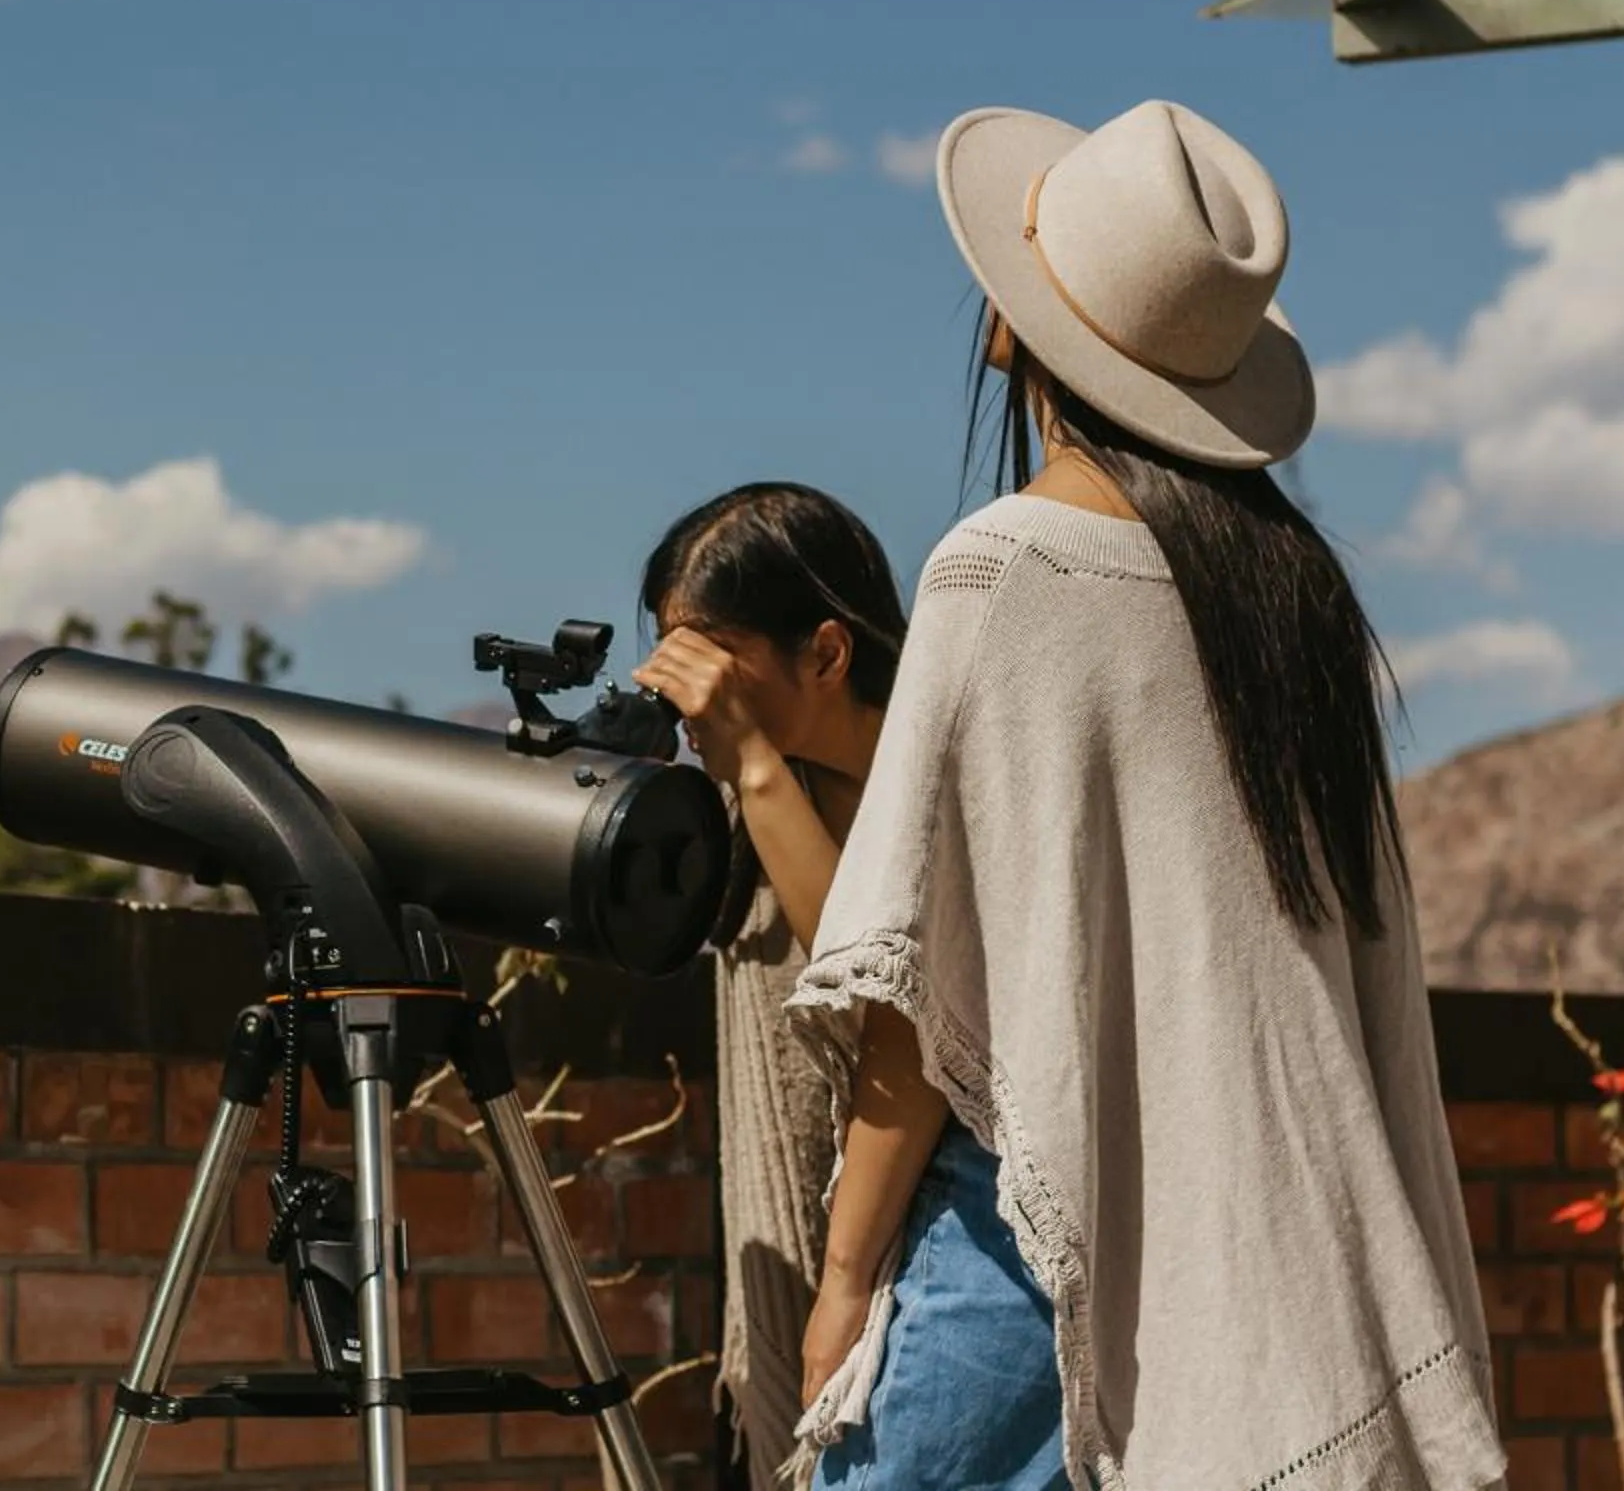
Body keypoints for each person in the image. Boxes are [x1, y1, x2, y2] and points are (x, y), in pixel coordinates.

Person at [786, 99, 1505, 1489]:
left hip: (1025, 1247)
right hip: (1278, 1262)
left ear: (1010, 326)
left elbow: (914, 1003)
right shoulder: (1298, 596)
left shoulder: (999, 575)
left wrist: (840, 1278)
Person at [627, 483, 903, 1486]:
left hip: (934, 1277)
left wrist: (749, 759)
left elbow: (875, 980)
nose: (697, 701)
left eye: (713, 661)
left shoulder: (939, 783)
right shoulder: (748, 800)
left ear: (826, 652)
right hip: (788, 1300)